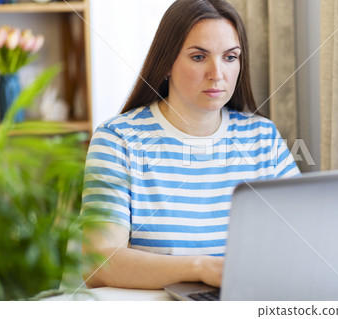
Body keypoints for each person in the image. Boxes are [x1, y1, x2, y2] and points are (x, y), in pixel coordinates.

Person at [81, 0, 300, 290]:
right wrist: (200, 267)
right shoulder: (118, 139)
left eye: (230, 57)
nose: (217, 74)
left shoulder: (262, 136)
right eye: (199, 57)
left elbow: (303, 241)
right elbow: (99, 262)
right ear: (166, 64)